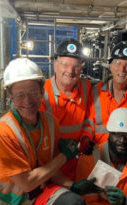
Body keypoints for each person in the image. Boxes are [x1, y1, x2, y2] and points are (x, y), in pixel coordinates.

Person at [0, 58, 97, 205]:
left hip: (35, 198)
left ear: (42, 91)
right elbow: (27, 183)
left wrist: (73, 186)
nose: (28, 101)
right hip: (4, 204)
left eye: (33, 92)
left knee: (73, 204)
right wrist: (64, 156)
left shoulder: (50, 123)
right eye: (20, 95)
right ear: (11, 96)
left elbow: (48, 169)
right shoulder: (3, 132)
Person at [76, 108, 127, 205]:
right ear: (109, 134)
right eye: (117, 134)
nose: (122, 140)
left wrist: (124, 203)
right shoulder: (89, 160)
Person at [40, 39, 94, 180]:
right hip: (48, 165)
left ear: (81, 68)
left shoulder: (85, 87)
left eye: (76, 66)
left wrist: (85, 137)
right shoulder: (42, 93)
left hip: (75, 160)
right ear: (55, 65)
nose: (70, 71)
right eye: (65, 64)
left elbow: (89, 118)